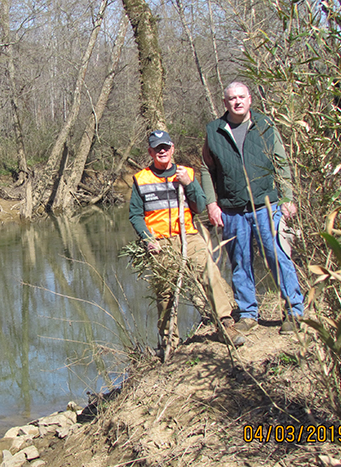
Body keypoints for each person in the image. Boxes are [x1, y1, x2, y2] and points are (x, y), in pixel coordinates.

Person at [201, 81, 304, 335]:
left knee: (278, 256)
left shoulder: (265, 125)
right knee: (239, 261)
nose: (237, 102)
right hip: (232, 209)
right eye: (231, 98)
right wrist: (212, 204)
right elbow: (206, 168)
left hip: (266, 205)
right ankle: (248, 313)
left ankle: (293, 311)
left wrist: (287, 196)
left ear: (249, 99)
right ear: (225, 103)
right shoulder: (214, 130)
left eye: (241, 97)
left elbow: (281, 162)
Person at [129, 129, 245, 347]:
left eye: (165, 147)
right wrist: (147, 239)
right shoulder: (141, 179)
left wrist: (188, 184)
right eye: (157, 148)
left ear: (172, 148)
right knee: (164, 292)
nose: (162, 151)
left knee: (210, 273)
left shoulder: (187, 174)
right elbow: (135, 215)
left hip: (189, 237)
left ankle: (226, 326)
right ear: (150, 152)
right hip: (160, 242)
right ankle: (169, 342)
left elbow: (200, 206)